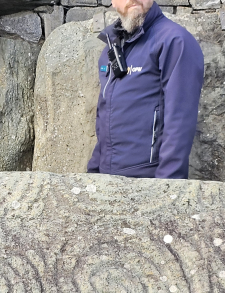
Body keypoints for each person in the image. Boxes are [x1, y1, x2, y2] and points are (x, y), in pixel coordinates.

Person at [87, 0, 204, 179]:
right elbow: (104, 119)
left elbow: (180, 121)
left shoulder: (174, 41)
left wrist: (166, 188)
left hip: (147, 182)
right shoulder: (110, 49)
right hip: (108, 181)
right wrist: (93, 174)